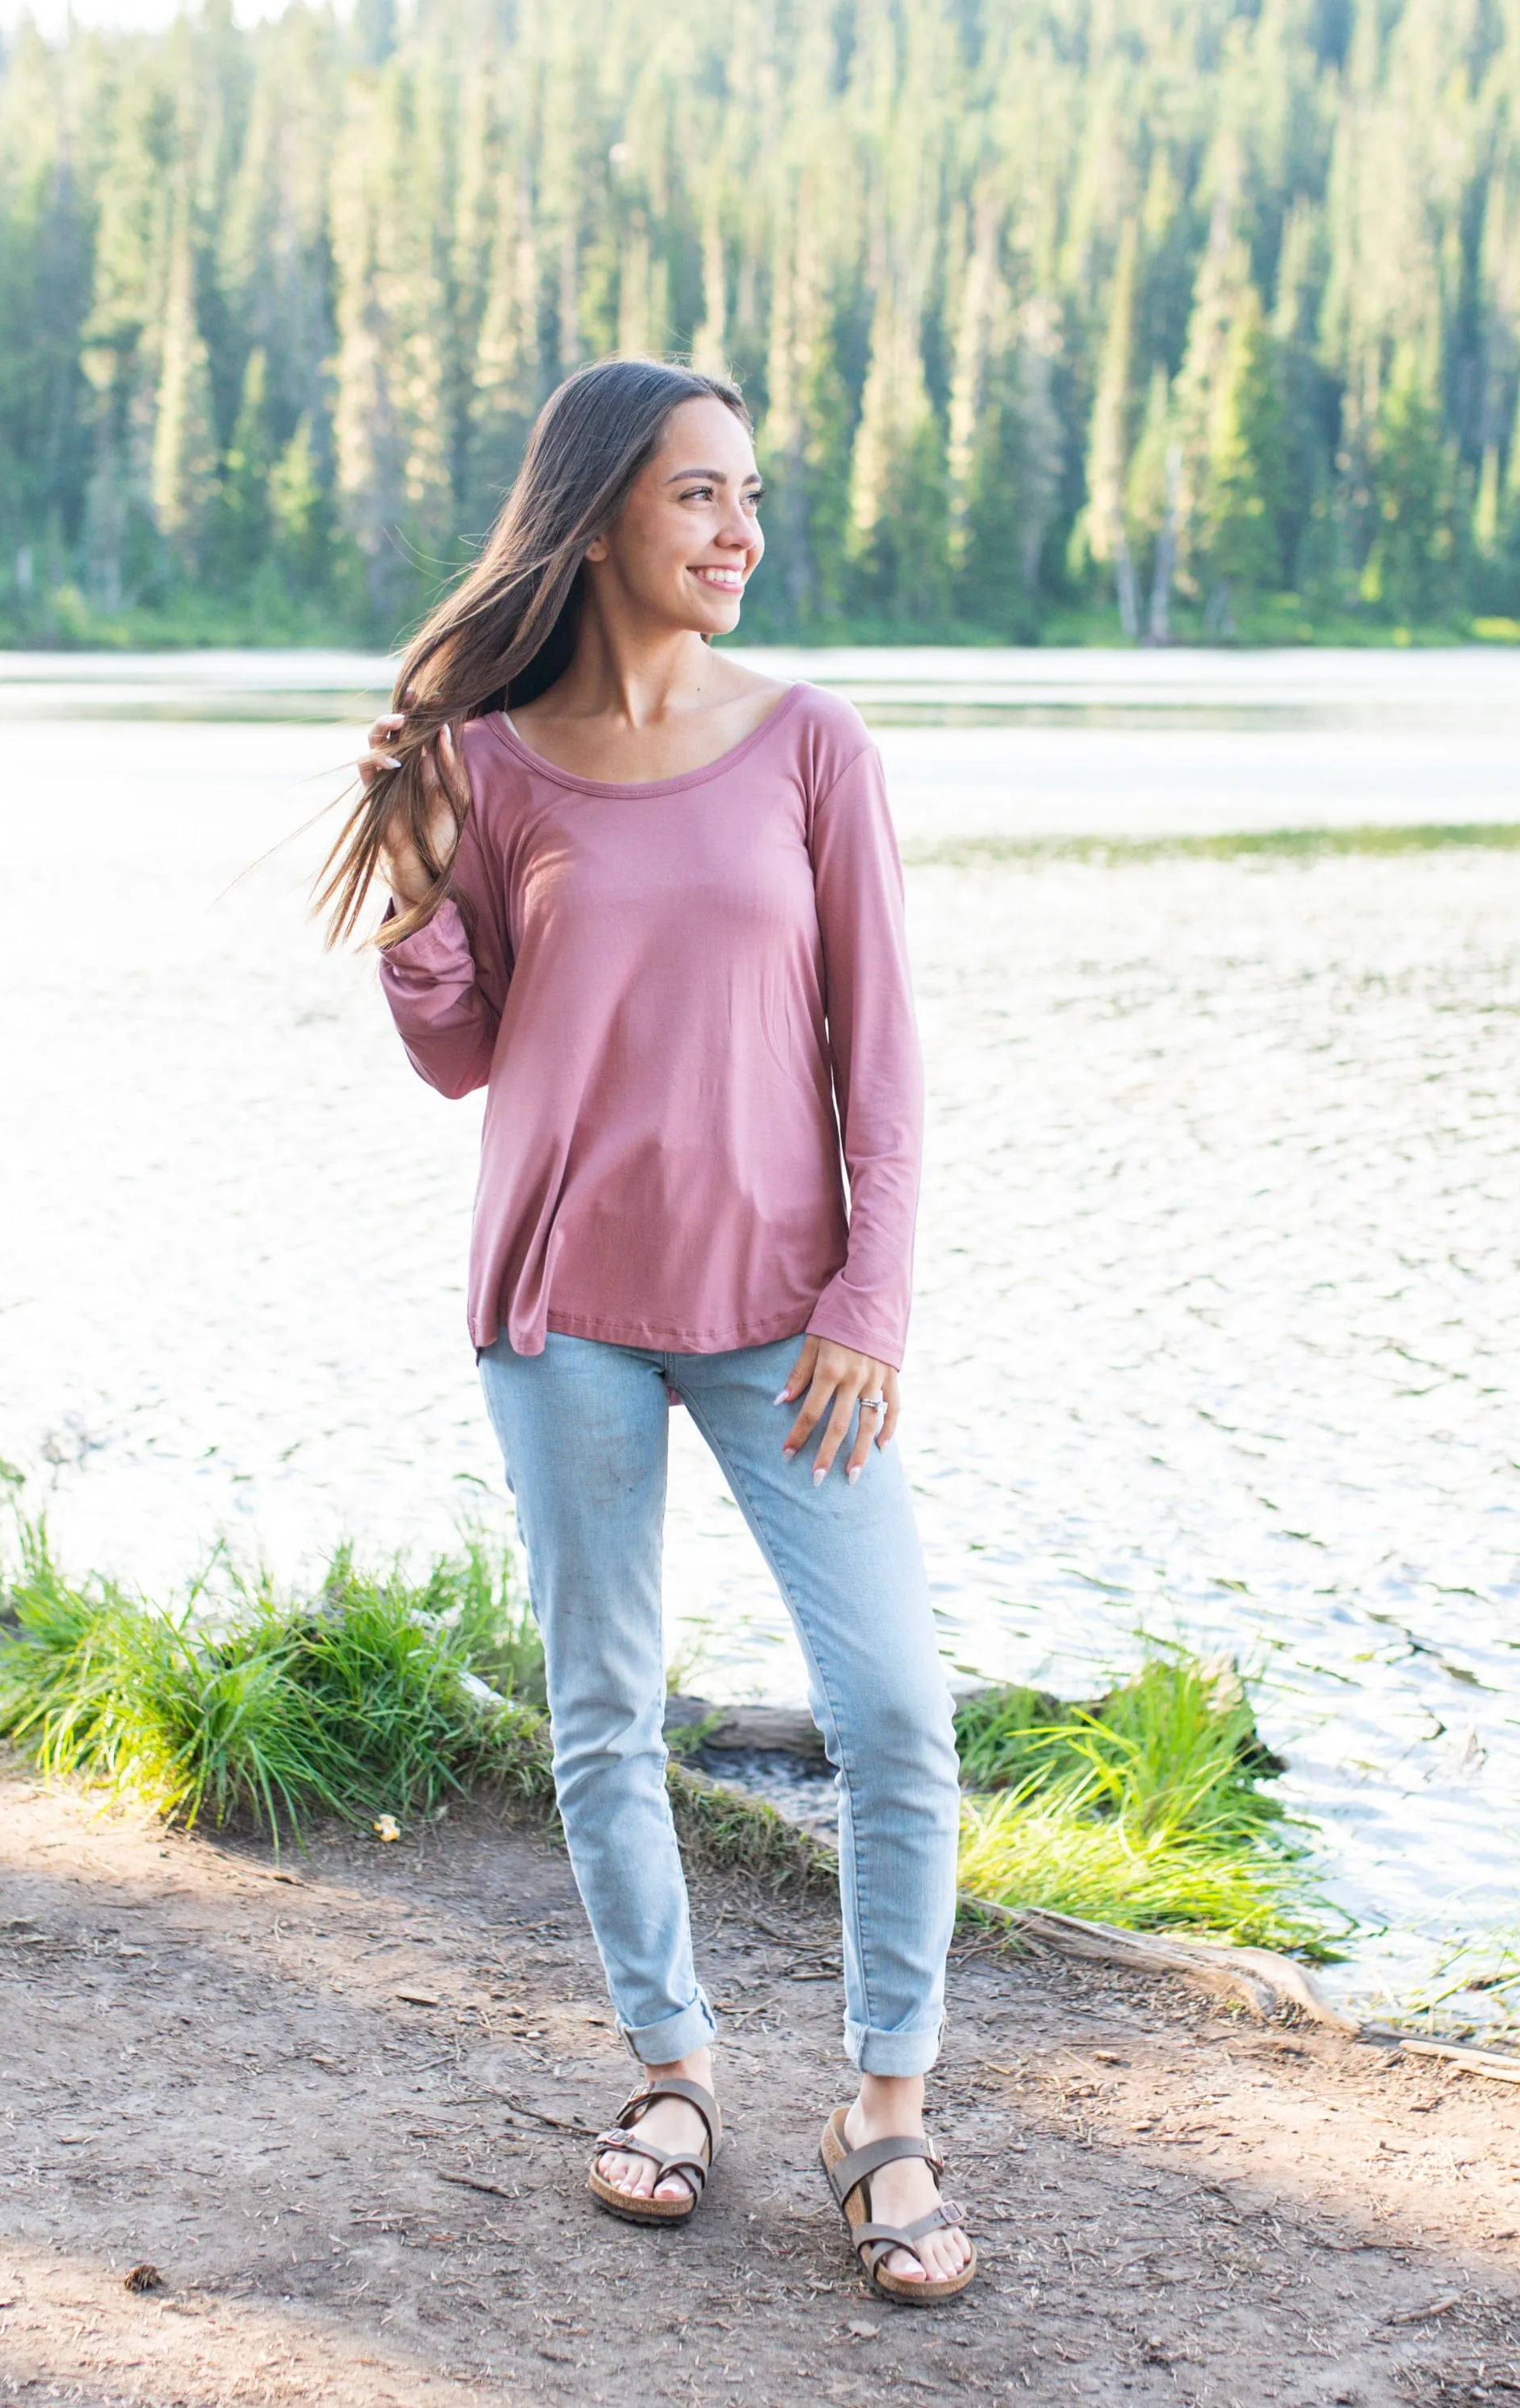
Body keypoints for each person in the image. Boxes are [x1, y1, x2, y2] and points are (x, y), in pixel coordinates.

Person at [319, 356, 973, 2304]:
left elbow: (889, 1055)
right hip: (563, 1306)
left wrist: (871, 1295)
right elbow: (459, 1054)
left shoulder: (811, 746)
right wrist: (421, 892)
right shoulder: (498, 763)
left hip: (790, 1318)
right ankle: (675, 2074)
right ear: (601, 511)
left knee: (896, 1716)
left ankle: (885, 2114)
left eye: (751, 496)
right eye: (700, 496)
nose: (741, 532)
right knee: (602, 1703)